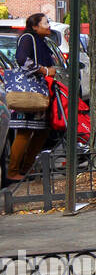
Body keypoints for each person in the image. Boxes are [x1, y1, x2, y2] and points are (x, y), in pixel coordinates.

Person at [7, 12, 57, 179]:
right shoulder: (28, 38)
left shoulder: (41, 41)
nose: (49, 26)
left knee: (42, 131)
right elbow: (22, 59)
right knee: (25, 131)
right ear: (35, 26)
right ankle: (13, 171)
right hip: (28, 91)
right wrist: (44, 70)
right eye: (45, 23)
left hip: (39, 91)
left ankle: (26, 168)